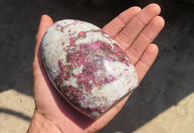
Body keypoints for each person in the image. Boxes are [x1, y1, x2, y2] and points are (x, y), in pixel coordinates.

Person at [28, 3, 165, 133]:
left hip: (113, 80)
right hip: (93, 95)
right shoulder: (58, 38)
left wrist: (49, 127)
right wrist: (51, 126)